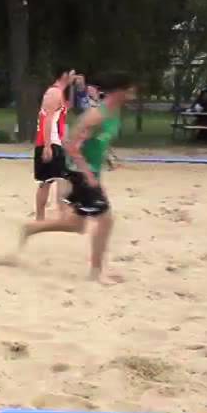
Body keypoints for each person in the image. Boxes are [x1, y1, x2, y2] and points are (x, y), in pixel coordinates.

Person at [19, 72, 135, 286]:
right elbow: (71, 145)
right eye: (130, 90)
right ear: (120, 91)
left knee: (76, 224)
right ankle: (96, 272)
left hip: (88, 172)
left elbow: (99, 142)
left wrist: (108, 161)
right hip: (80, 173)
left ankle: (31, 228)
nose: (133, 94)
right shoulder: (96, 115)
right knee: (106, 220)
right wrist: (89, 175)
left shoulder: (114, 113)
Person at [33, 66, 74, 221]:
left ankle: (46, 216)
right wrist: (48, 146)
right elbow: (48, 119)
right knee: (53, 180)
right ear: (64, 74)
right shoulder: (54, 92)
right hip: (48, 142)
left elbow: (57, 121)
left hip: (53, 141)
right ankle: (45, 216)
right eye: (71, 73)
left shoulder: (59, 93)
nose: (73, 76)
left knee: (52, 180)